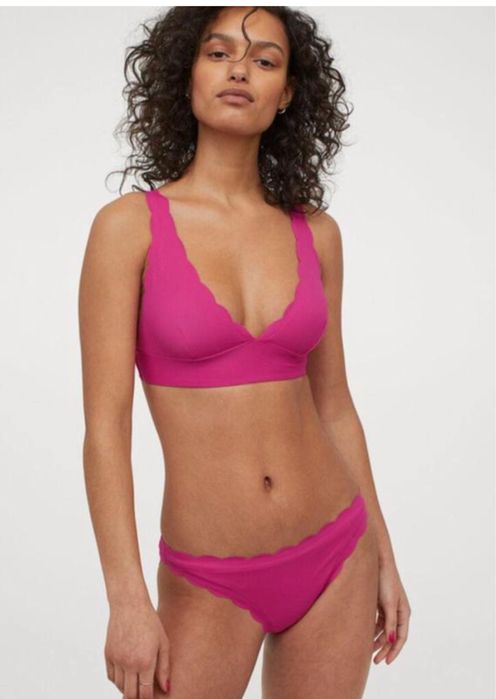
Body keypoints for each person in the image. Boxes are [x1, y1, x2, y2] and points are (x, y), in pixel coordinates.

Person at [78, 6, 411, 698]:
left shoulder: (317, 233)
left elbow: (335, 406)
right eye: (219, 52)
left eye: (264, 60)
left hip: (336, 552)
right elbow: (106, 430)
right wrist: (126, 598)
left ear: (286, 94)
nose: (240, 70)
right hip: (208, 576)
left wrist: (383, 552)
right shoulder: (128, 228)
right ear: (187, 75)